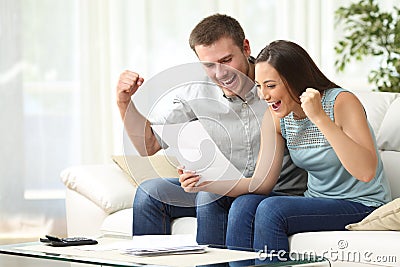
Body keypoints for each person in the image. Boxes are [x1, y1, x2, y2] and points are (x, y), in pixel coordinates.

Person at [115, 14, 307, 247]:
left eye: (226, 60)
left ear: (246, 47)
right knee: (149, 193)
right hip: (221, 184)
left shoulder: (276, 82)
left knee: (211, 195)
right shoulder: (195, 92)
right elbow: (148, 145)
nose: (220, 73)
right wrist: (124, 103)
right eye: (209, 65)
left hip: (275, 191)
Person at [215, 40, 391, 261]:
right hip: (317, 201)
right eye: (259, 86)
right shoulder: (277, 117)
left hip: (362, 204)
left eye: (270, 86)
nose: (263, 96)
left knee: (272, 210)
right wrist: (206, 181)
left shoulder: (342, 102)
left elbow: (366, 172)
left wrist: (319, 117)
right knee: (243, 205)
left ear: (294, 81)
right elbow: (261, 182)